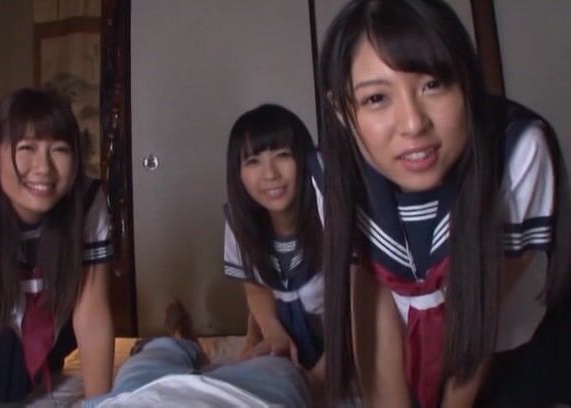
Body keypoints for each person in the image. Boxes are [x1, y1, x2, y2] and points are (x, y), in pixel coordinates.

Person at [317, 1, 571, 407]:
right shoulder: (334, 173)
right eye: (377, 98)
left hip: (512, 353)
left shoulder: (518, 150)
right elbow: (371, 295)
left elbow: (480, 308)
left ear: (466, 81)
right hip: (413, 354)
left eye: (433, 84)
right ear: (342, 112)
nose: (413, 123)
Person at [0, 88, 114, 404]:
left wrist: (102, 404)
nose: (43, 167)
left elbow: (92, 316)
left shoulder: (88, 200)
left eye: (59, 149)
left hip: (55, 320)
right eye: (26, 148)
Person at [222, 104, 325, 392]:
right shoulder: (238, 221)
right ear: (238, 172)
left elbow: (361, 313)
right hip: (286, 335)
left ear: (305, 159)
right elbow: (255, 288)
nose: (270, 174)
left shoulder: (330, 211)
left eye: (282, 155)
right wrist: (274, 333)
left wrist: (319, 380)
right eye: (253, 161)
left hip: (347, 338)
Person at [82, 300, 312, 407]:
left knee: (154, 351)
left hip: (140, 391)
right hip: (250, 397)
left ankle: (182, 340)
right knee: (281, 361)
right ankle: (252, 343)